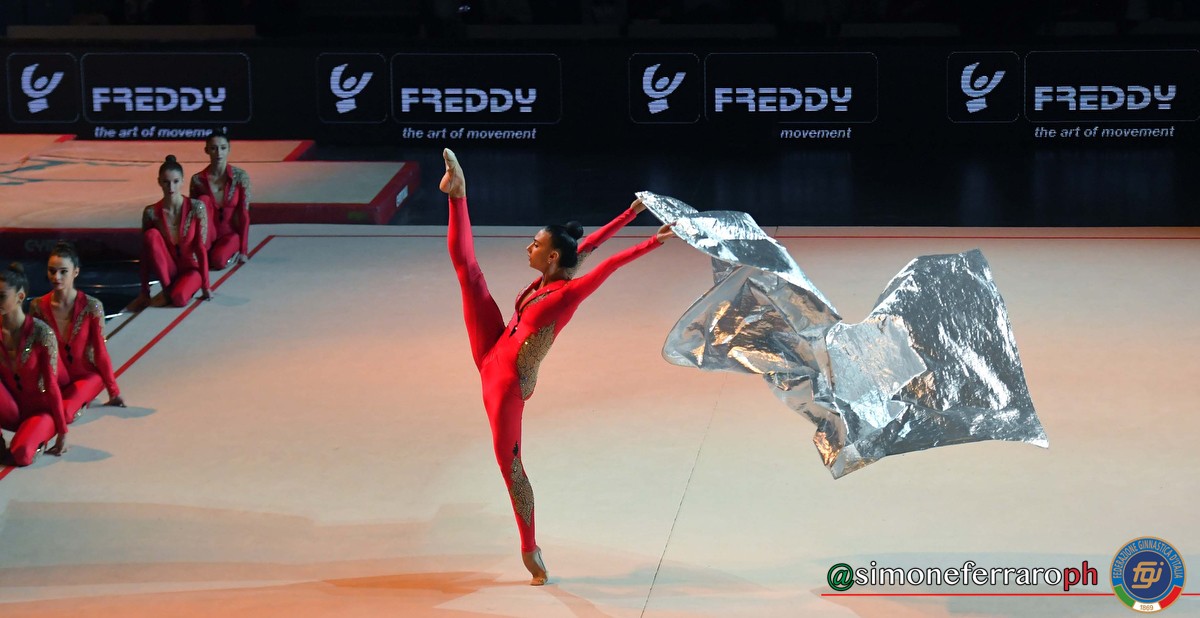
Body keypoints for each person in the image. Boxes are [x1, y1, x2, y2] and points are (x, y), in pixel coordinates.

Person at [440, 148, 674, 585]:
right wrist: (629, 214)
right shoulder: (552, 273)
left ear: (551, 257)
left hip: (506, 385)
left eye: (536, 243)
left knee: (511, 468)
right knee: (468, 272)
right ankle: (458, 194)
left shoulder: (567, 293)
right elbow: (593, 244)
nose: (528, 246)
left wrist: (653, 242)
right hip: (493, 346)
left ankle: (529, 546)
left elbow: (609, 264)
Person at [29, 241, 125, 422]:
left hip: (87, 376)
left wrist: (113, 391)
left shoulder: (92, 306)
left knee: (65, 414)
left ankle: (79, 400)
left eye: (63, 271)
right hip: (57, 377)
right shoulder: (38, 306)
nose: (56, 277)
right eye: (52, 271)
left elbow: (100, 352)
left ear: (76, 272)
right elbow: (36, 352)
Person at [0, 263, 67, 467]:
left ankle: (35, 436)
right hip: (11, 411)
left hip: (39, 411)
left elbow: (52, 385)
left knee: (21, 456)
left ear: (20, 297)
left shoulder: (42, 333)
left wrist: (62, 431)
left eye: (1, 296)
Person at [134, 155, 213, 309]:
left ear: (182, 181)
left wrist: (206, 285)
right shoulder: (151, 212)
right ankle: (167, 290)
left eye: (175, 182)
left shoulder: (196, 208)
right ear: (159, 182)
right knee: (151, 235)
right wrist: (144, 291)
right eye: (166, 182)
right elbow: (145, 254)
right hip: (169, 271)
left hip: (191, 269)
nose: (171, 187)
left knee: (179, 299)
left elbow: (200, 248)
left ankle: (174, 292)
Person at [189, 129, 251, 269]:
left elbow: (244, 214)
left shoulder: (241, 177)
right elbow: (193, 217)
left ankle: (230, 250)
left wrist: (244, 250)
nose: (219, 153)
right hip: (207, 235)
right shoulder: (197, 180)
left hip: (229, 234)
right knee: (203, 200)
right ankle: (202, 249)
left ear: (229, 149)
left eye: (223, 148)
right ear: (206, 150)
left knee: (217, 262)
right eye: (214, 148)